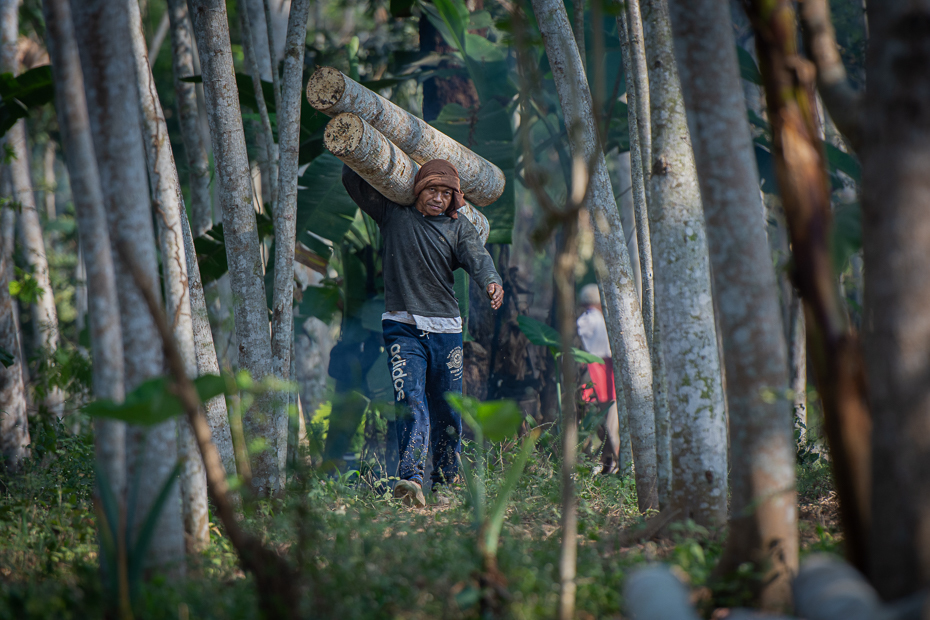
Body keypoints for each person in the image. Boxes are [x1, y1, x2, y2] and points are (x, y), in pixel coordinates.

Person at [342, 159, 504, 507]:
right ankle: (411, 479)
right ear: (417, 189)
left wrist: (492, 282)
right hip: (402, 327)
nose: (439, 199)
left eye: (447, 193)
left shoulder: (458, 228)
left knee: (447, 408)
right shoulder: (393, 214)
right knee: (410, 400)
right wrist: (358, 143)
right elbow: (354, 180)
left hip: (446, 331)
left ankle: (445, 482)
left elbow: (478, 258)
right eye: (433, 189)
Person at [576, 283, 622, 474]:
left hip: (591, 371)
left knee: (587, 418)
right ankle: (611, 463)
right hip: (607, 373)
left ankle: (588, 461)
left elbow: (577, 342)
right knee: (610, 422)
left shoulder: (586, 320)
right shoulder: (605, 321)